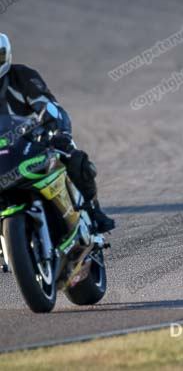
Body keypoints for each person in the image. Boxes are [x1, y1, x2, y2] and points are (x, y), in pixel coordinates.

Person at [0, 33, 115, 232]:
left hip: (32, 142)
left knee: (74, 157)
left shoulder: (22, 76)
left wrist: (59, 132)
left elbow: (49, 106)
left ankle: (93, 210)